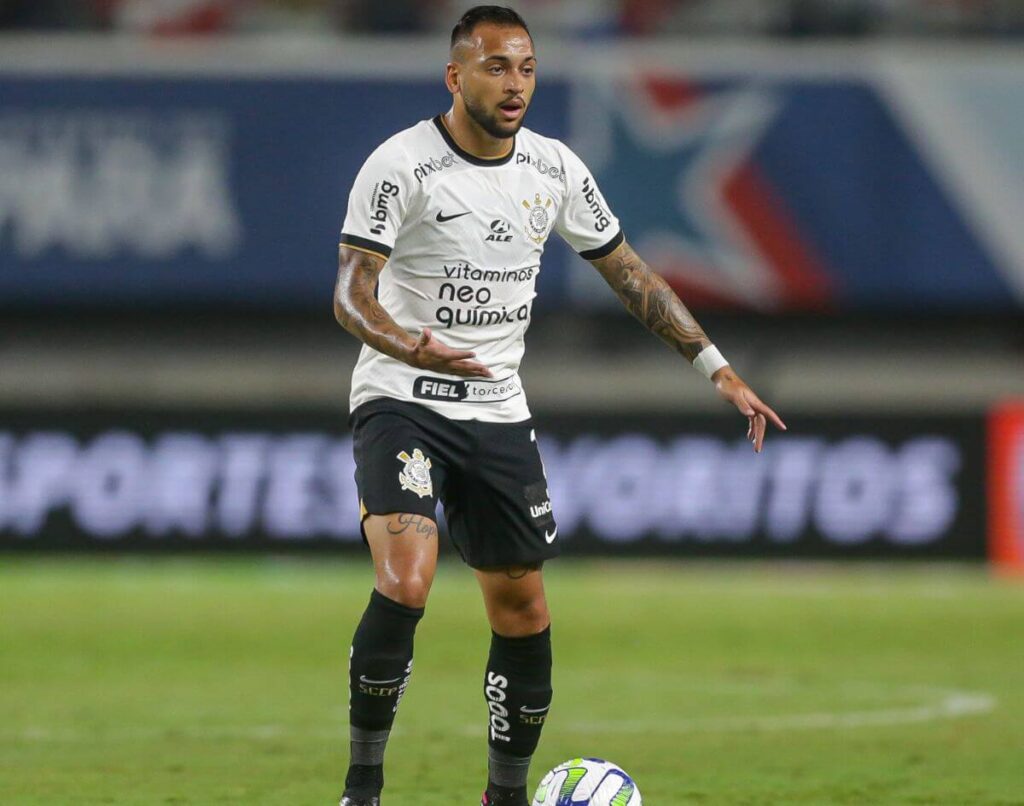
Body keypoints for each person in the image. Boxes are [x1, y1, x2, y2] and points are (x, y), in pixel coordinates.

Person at [333, 6, 786, 805]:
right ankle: (362, 789)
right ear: (455, 75)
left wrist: (716, 367)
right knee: (408, 578)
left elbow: (631, 274)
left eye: (527, 68)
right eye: (497, 67)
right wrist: (410, 347)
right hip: (402, 397)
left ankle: (505, 796)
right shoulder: (400, 165)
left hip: (498, 408)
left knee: (523, 607)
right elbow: (351, 294)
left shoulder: (554, 170)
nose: (515, 85)